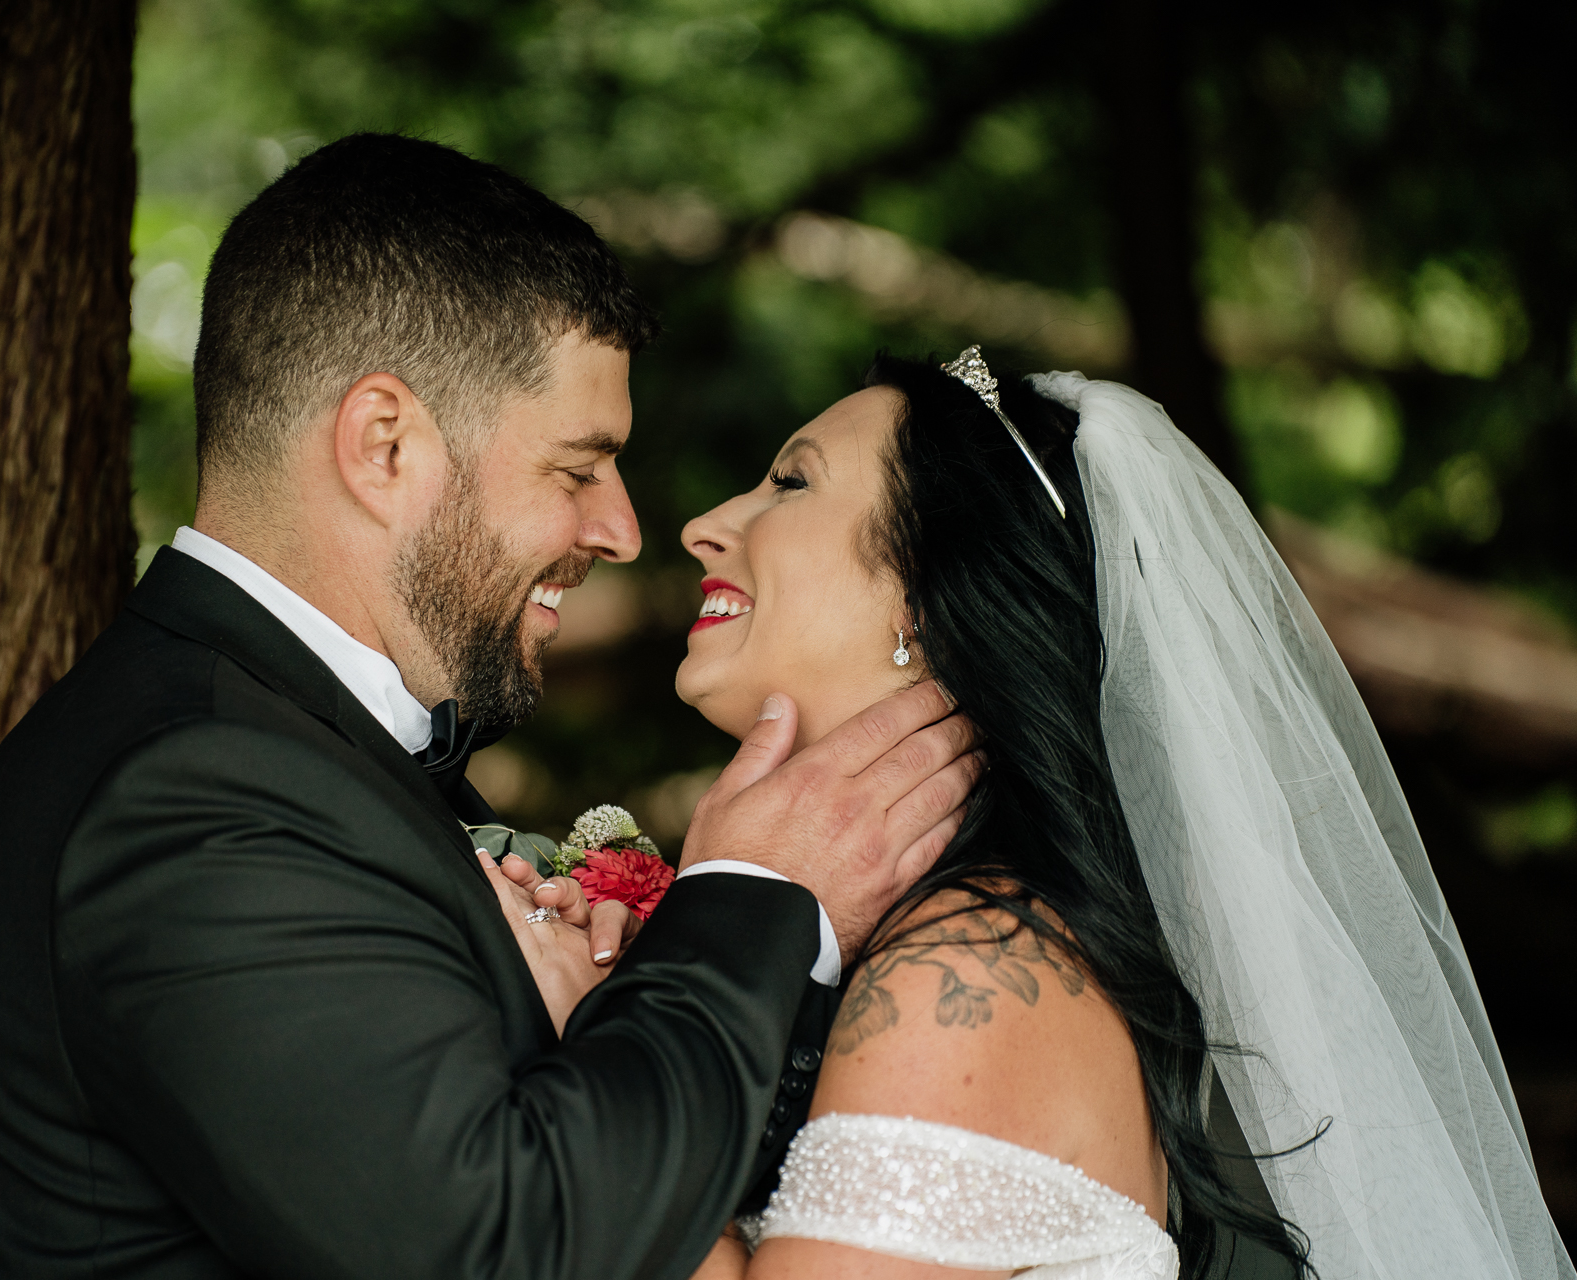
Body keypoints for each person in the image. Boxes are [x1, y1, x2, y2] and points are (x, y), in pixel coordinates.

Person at [0, 133, 985, 1279]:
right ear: (385, 446)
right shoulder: (197, 796)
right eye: (577, 469)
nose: (623, 530)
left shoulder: (293, 753)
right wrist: (753, 897)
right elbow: (501, 1244)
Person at [568, 348, 1569, 1279]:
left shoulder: (970, 970)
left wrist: (595, 1044)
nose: (706, 521)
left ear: (927, 591)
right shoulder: (931, 940)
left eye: (791, 481)